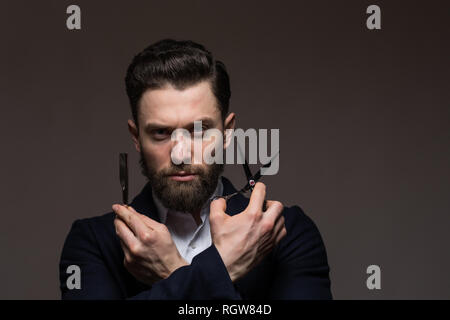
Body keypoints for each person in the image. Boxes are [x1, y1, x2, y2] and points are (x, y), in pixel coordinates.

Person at [59, 39, 332, 299]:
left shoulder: (285, 232)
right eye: (161, 133)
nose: (180, 154)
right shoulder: (93, 243)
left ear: (227, 133)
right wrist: (220, 269)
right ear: (136, 137)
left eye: (199, 131)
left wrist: (175, 272)